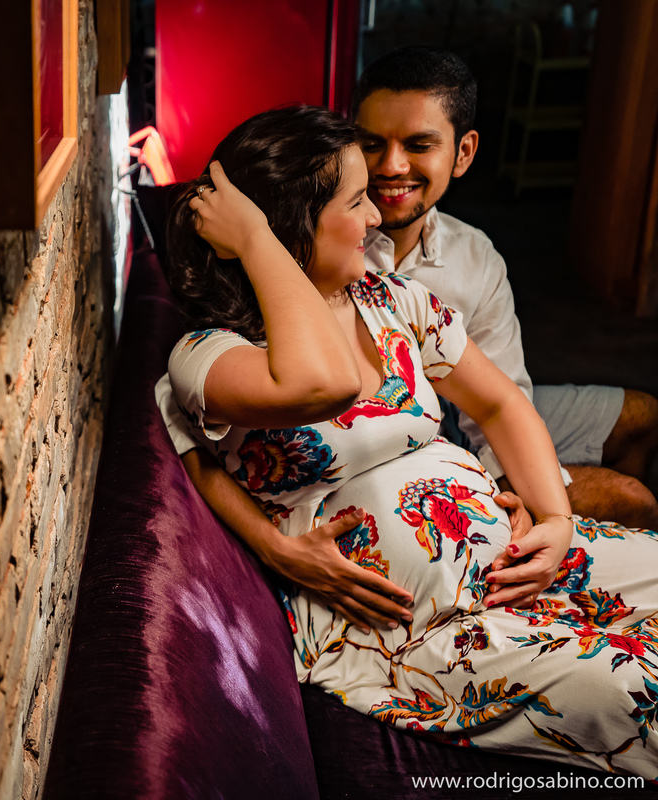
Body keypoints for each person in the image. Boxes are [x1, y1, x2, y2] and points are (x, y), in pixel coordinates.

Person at [159, 105, 658, 777]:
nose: (375, 217)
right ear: (290, 224)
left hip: (512, 564)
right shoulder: (210, 354)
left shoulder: (390, 299)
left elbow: (501, 403)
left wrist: (556, 521)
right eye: (356, 201)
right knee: (636, 689)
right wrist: (255, 238)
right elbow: (325, 383)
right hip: (426, 629)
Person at [352, 46, 658, 529]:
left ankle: (586, 549)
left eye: (418, 145)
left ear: (463, 153)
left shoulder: (475, 254)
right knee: (634, 501)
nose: (391, 166)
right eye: (371, 144)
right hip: (410, 447)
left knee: (643, 416)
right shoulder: (330, 245)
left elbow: (503, 402)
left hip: (478, 422)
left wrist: (519, 488)